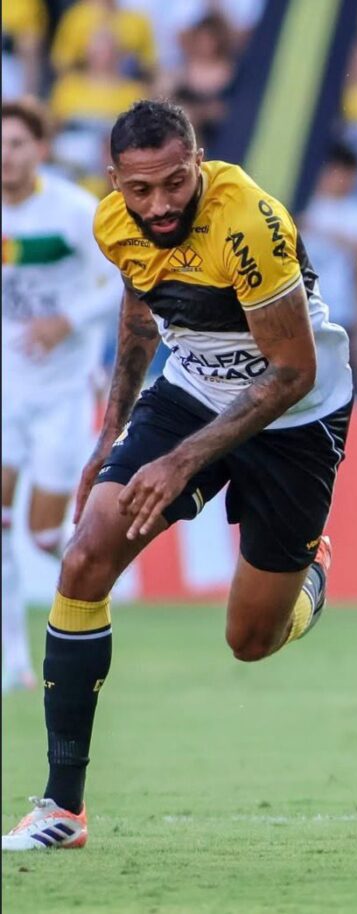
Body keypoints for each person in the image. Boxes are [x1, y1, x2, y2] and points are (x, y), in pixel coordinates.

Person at [2, 99, 354, 851]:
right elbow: (139, 314)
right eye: (140, 189)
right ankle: (63, 809)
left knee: (251, 640)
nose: (159, 205)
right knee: (85, 557)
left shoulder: (248, 222)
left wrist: (181, 459)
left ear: (197, 163)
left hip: (297, 415)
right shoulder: (113, 223)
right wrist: (112, 433)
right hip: (192, 390)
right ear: (115, 182)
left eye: (174, 183)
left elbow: (292, 370)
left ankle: (311, 573)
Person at [2, 98, 119, 695]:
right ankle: (13, 659)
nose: (5, 155)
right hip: (7, 388)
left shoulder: (74, 211)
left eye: (16, 144)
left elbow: (121, 278)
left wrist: (67, 320)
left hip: (63, 391)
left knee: (45, 535)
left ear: (41, 150)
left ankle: (93, 588)